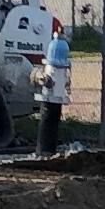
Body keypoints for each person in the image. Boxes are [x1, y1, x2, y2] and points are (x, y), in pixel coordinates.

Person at [42, 9, 72, 156]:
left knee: (49, 116)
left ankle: (45, 152)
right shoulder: (62, 46)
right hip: (55, 84)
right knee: (51, 116)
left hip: (54, 82)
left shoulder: (54, 45)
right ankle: (46, 151)